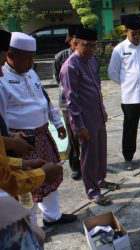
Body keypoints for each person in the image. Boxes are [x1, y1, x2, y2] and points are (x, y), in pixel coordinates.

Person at [0, 32, 77, 227]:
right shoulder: (2, 80)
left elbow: (45, 100)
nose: (32, 62)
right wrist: (10, 142)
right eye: (27, 57)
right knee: (26, 188)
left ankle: (53, 216)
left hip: (42, 135)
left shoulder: (31, 73)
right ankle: (30, 226)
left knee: (50, 177)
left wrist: (58, 124)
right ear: (11, 55)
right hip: (21, 142)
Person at [60, 27, 118, 206]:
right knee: (89, 155)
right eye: (87, 45)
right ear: (76, 43)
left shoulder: (92, 60)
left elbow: (97, 88)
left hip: (97, 114)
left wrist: (102, 109)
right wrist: (79, 126)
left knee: (100, 151)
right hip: (84, 118)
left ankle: (100, 180)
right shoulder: (70, 66)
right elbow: (71, 100)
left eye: (94, 46)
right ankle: (92, 191)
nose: (91, 49)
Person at [108, 14, 140, 170]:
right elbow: (112, 72)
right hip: (130, 98)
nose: (137, 36)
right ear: (126, 31)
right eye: (133, 33)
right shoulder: (119, 50)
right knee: (130, 129)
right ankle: (128, 158)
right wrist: (126, 84)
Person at [54, 25, 81, 180]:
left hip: (84, 103)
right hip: (67, 104)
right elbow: (59, 80)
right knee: (73, 136)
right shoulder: (61, 57)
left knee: (87, 136)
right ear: (71, 39)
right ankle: (75, 166)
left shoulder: (88, 57)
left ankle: (89, 164)